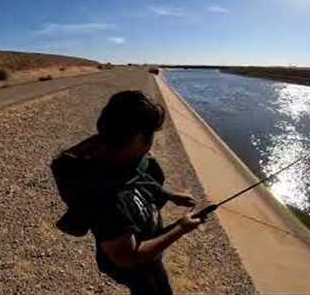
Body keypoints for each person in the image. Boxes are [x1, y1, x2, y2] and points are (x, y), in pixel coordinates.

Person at [50, 90, 203, 295]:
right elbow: (127, 257)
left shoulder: (119, 154)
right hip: (133, 267)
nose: (151, 141)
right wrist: (181, 228)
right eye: (149, 134)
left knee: (160, 281)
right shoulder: (106, 198)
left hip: (149, 256)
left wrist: (168, 195)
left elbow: (137, 180)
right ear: (135, 138)